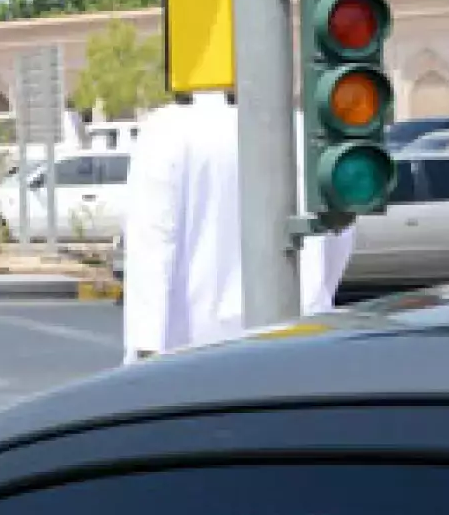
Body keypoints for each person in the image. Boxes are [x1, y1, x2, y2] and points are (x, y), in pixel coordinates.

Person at [122, 92, 354, 360]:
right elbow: (338, 231)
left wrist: (146, 345)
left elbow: (151, 245)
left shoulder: (166, 132)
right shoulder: (299, 128)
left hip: (194, 349)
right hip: (299, 338)